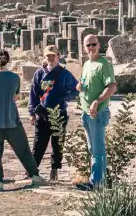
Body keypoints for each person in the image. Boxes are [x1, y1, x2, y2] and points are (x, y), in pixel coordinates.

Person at [0, 49, 42, 187]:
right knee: (23, 149)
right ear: (8, 60)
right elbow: (15, 97)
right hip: (11, 118)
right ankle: (34, 174)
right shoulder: (15, 78)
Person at [29, 44, 80, 178]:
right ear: (44, 57)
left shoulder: (64, 74)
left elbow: (76, 89)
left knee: (58, 143)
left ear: (58, 56)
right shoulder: (39, 73)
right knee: (39, 143)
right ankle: (32, 169)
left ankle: (54, 169)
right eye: (48, 56)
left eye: (53, 55)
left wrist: (65, 97)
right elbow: (33, 94)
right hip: (43, 113)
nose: (51, 58)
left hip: (59, 113)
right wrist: (32, 113)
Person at [77, 34, 119, 190]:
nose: (91, 48)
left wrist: (97, 101)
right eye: (87, 45)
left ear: (99, 45)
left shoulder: (104, 64)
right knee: (92, 149)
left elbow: (112, 87)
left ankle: (97, 183)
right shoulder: (87, 64)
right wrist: (80, 87)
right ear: (83, 47)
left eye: (93, 44)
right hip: (86, 112)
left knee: (98, 150)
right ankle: (96, 181)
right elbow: (84, 83)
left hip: (98, 112)